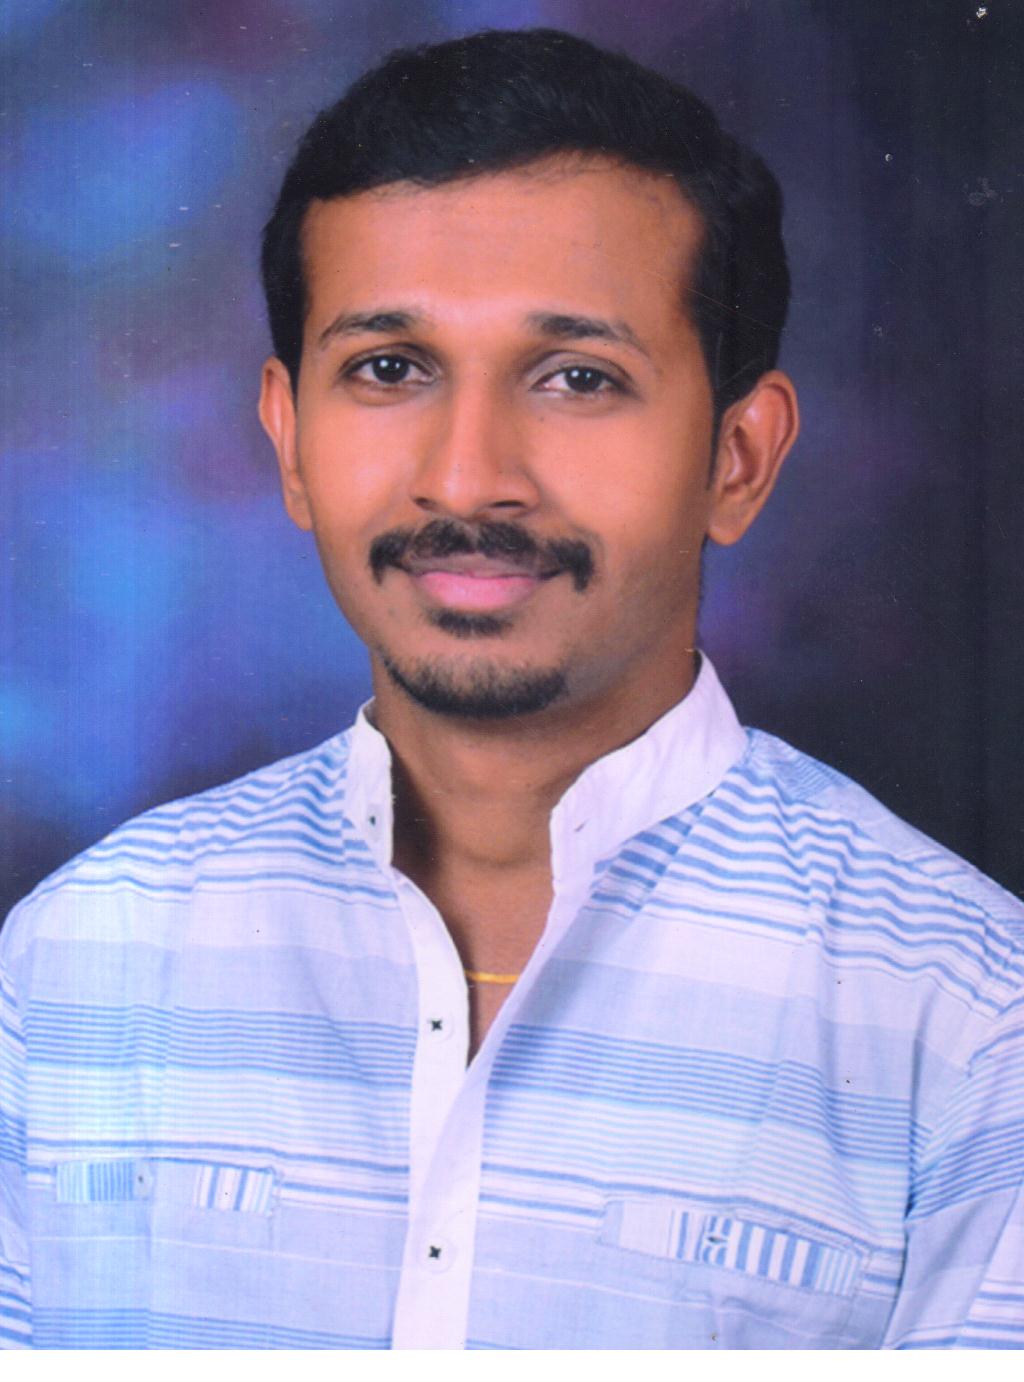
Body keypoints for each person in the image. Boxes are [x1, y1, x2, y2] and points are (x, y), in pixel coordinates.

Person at [1, 27, 1022, 1352]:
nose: (468, 476)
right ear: (290, 439)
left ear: (739, 456)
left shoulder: (969, 1021)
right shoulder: (75, 961)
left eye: (577, 377)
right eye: (389, 369)